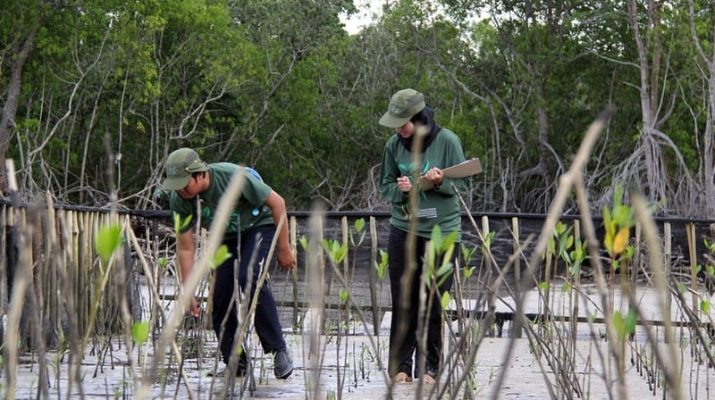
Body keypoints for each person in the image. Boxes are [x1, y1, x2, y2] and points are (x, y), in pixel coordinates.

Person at [161, 147, 296, 379]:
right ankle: (236, 362)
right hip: (224, 237)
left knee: (249, 277)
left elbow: (278, 204)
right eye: (176, 186)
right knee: (220, 295)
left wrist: (284, 248)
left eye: (185, 184)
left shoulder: (233, 177)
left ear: (200, 174)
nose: (181, 191)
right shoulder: (179, 199)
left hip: (258, 227)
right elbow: (185, 247)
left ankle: (278, 350)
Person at [377, 88, 468, 384]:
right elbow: (385, 186)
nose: (399, 129)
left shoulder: (447, 141)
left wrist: (441, 181)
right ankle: (399, 366)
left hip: (441, 232)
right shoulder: (393, 145)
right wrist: (402, 190)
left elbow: (463, 187)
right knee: (404, 300)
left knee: (432, 300)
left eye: (403, 122)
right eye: (395, 124)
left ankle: (430, 367)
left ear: (420, 117)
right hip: (404, 229)